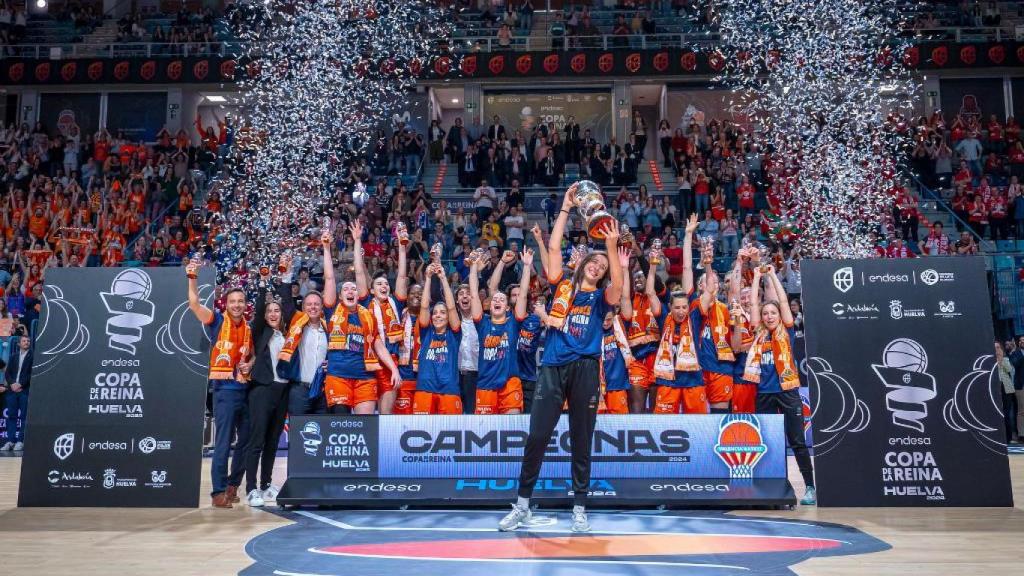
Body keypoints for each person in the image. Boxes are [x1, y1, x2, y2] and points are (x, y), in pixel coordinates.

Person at [499, 184, 623, 534]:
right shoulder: (562, 285)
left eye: (602, 265)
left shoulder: (601, 299)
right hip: (552, 368)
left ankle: (579, 509)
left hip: (585, 369)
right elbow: (553, 248)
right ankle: (522, 505)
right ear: (582, 263)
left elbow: (618, 287)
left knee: (582, 440)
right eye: (594, 261)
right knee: (537, 436)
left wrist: (611, 246)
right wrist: (567, 207)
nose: (598, 266)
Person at [745, 264, 816, 505]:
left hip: (788, 392)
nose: (768, 316)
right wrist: (755, 277)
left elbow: (784, 302)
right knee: (767, 444)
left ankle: (809, 487)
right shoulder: (759, 333)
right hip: (764, 393)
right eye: (766, 314)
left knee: (797, 442)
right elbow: (753, 305)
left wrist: (771, 274)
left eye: (772, 313)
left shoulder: (786, 330)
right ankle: (771, 487)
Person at [187, 261, 253, 509]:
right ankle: (217, 492)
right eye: (233, 301)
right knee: (224, 442)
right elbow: (193, 304)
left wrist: (251, 365)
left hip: (245, 390)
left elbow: (252, 356)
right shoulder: (216, 320)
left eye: (241, 301)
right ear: (227, 304)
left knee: (245, 442)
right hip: (224, 391)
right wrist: (192, 277)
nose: (237, 305)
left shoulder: (247, 327)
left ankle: (232, 486)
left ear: (245, 305)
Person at [320, 224, 401, 415]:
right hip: (338, 376)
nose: (351, 291)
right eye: (346, 289)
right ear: (340, 296)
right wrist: (326, 248)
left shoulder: (367, 313)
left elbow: (379, 345)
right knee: (341, 425)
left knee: (364, 428)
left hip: (364, 377)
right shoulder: (333, 310)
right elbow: (330, 278)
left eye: (354, 289)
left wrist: (394, 369)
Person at [243, 256, 293, 507]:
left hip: (282, 391)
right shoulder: (261, 332)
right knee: (257, 440)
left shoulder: (288, 333)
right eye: (269, 311)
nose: (273, 313)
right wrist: (263, 284)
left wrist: (285, 281)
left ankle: (266, 484)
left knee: (273, 441)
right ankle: (251, 488)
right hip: (262, 390)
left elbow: (292, 308)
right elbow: (261, 307)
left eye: (277, 310)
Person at [652, 215, 709, 414]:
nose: (681, 311)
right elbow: (651, 291)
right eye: (677, 307)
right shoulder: (663, 315)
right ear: (670, 306)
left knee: (699, 429)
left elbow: (687, 269)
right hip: (668, 378)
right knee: (663, 426)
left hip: (693, 379)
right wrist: (651, 267)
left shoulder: (694, 315)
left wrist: (687, 235)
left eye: (684, 307)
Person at [354, 219, 411, 414]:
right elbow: (360, 274)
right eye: (379, 284)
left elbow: (402, 276)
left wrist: (402, 249)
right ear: (371, 289)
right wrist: (357, 241)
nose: (384, 286)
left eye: (386, 284)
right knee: (367, 416)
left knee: (386, 414)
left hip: (391, 361)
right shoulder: (364, 303)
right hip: (367, 361)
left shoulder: (395, 302)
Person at [470, 247, 534, 414]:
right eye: (494, 300)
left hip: (510, 383)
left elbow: (522, 296)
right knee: (485, 431)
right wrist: (473, 269)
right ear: (489, 306)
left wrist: (526, 266)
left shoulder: (513, 322)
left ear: (507, 308)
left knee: (511, 425)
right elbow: (474, 295)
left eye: (502, 299)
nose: (497, 300)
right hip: (485, 385)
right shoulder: (482, 323)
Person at [276, 233, 331, 417]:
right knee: (298, 438)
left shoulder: (329, 327)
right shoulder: (297, 320)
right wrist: (287, 276)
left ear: (322, 306)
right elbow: (285, 301)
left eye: (316, 304)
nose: (313, 307)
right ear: (303, 306)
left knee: (322, 437)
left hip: (323, 390)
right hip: (300, 390)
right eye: (309, 304)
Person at [414, 262, 463, 414]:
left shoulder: (454, 334)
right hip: (425, 389)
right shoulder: (426, 332)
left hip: (449, 389)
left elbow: (451, 307)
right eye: (435, 313)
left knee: (450, 433)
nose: (437, 316)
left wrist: (443, 279)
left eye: (442, 313)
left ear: (449, 317)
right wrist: (428, 278)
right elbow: (423, 307)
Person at [625, 247, 663, 413]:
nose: (638, 279)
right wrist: (625, 266)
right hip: (636, 359)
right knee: (636, 409)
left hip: (657, 356)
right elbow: (625, 284)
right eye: (636, 277)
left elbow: (652, 279)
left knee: (656, 410)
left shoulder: (659, 296)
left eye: (642, 276)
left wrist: (640, 255)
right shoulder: (630, 299)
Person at [0, 335, 31, 452]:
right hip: (12, 391)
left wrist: (20, 384)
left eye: (28, 341)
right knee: (11, 416)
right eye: (24, 341)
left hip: (24, 390)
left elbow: (31, 373)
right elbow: (7, 373)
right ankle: (10, 441)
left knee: (24, 417)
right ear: (19, 344)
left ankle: (20, 441)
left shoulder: (32, 357)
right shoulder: (13, 357)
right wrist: (12, 384)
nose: (27, 342)